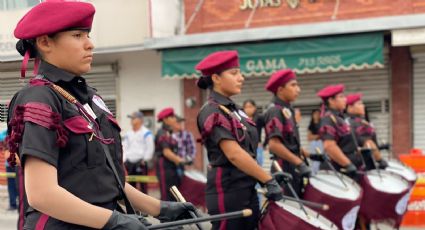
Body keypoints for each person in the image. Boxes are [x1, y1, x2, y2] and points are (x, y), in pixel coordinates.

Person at [6, 2, 194, 229]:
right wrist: (114, 221)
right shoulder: (39, 98)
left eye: (88, 35)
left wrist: (160, 208)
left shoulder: (90, 98)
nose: (90, 44)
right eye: (77, 35)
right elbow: (42, 194)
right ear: (45, 42)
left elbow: (106, 178)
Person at [196, 50, 283, 230]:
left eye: (240, 73)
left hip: (246, 189)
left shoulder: (234, 110)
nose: (241, 78)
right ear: (216, 78)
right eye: (234, 73)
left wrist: (264, 176)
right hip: (228, 192)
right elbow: (234, 154)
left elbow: (248, 151)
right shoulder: (212, 111)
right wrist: (267, 180)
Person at [263, 69, 312, 198]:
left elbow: (290, 143)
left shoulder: (287, 110)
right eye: (293, 85)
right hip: (283, 171)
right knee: (288, 212)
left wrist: (309, 155)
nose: (298, 89)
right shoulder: (275, 111)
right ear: (280, 90)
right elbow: (274, 145)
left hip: (292, 169)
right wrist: (299, 163)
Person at [317, 84, 362, 180]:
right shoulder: (328, 118)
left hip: (347, 168)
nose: (345, 99)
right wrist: (347, 164)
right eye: (341, 97)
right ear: (331, 100)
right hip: (339, 171)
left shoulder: (340, 118)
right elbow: (329, 146)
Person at [155, 107, 191, 201]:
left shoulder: (168, 132)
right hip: (164, 168)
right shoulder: (162, 133)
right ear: (165, 119)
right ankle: (164, 215)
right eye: (172, 117)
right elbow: (166, 152)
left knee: (174, 194)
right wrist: (181, 161)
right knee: (167, 195)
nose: (175, 119)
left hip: (171, 167)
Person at [345, 93, 388, 170]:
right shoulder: (354, 123)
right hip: (361, 165)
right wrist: (380, 160)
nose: (363, 106)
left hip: (361, 163)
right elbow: (368, 143)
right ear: (350, 107)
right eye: (360, 104)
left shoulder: (358, 122)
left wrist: (380, 147)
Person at [123, 111, 154, 194]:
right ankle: (133, 205)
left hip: (141, 162)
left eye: (133, 118)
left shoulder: (146, 132)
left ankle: (145, 205)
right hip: (129, 163)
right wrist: (124, 160)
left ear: (140, 120)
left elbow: (150, 147)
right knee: (131, 187)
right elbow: (125, 147)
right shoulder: (128, 133)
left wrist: (145, 159)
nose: (131, 120)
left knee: (143, 186)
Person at [242, 99, 265, 166]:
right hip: (246, 146)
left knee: (258, 164)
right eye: (246, 107)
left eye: (250, 106)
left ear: (254, 107)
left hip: (257, 145)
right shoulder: (241, 119)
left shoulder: (259, 118)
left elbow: (268, 128)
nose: (248, 109)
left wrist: (265, 142)